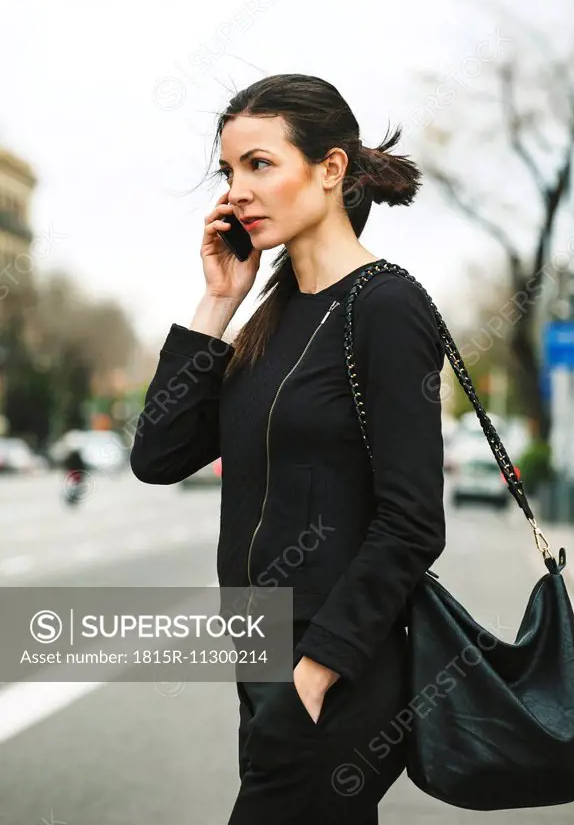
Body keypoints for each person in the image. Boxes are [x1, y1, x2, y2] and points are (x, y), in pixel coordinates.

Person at [130, 74, 446, 824]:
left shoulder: (386, 306)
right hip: (261, 647)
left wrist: (319, 665)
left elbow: (412, 520)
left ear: (330, 169)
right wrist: (218, 302)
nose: (237, 189)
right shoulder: (272, 318)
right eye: (229, 170)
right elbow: (158, 455)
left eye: (260, 164)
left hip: (333, 666)